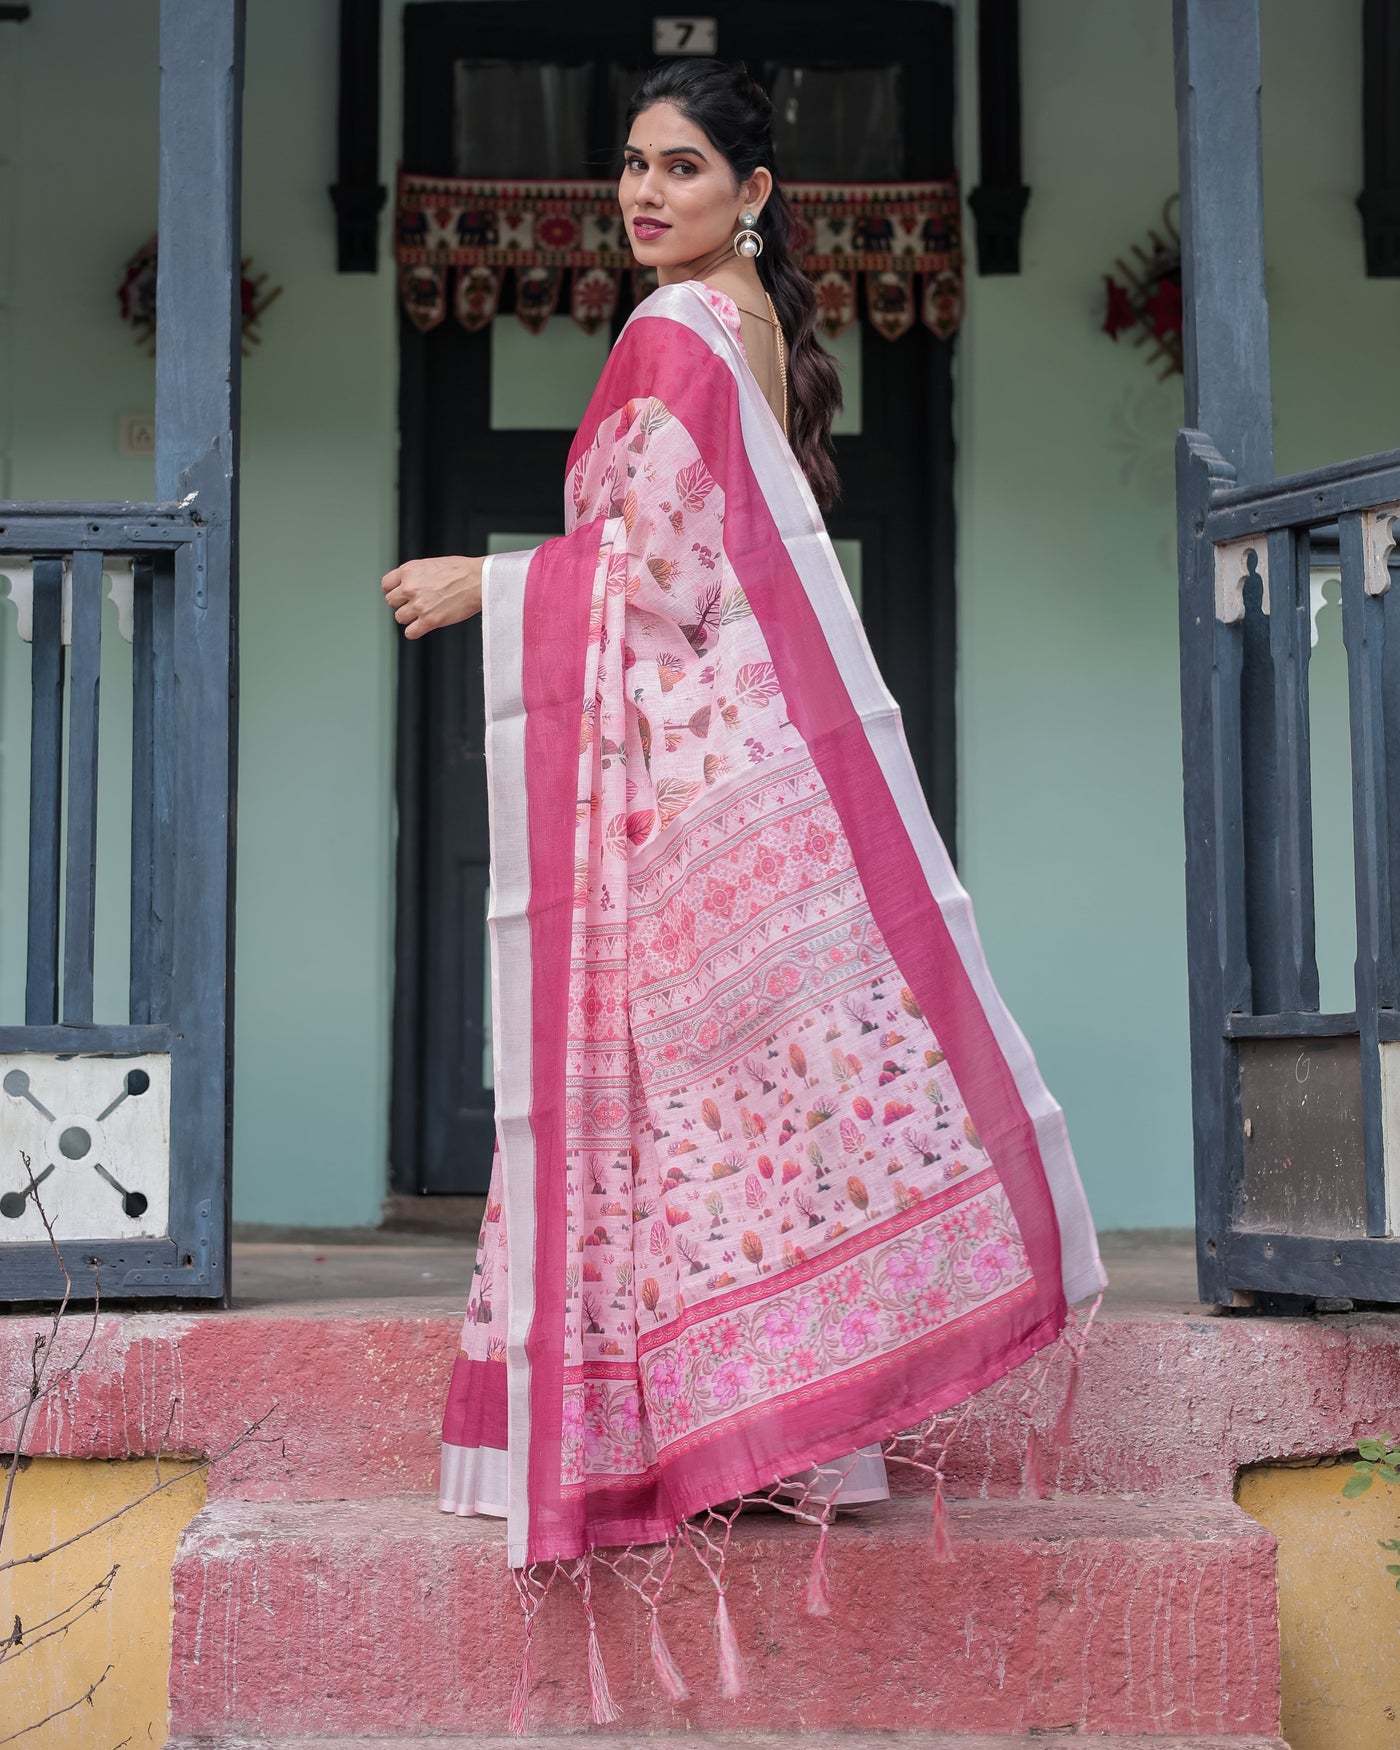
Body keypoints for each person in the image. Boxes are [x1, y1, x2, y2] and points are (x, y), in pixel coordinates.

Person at [381, 56, 1102, 1721]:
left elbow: (662, 574)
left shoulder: (674, 333)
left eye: (683, 167)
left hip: (690, 784)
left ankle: (699, 1424)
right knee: (754, 1090)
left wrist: (483, 582)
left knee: (678, 1085)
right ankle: (799, 1430)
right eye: (630, 165)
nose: (644, 193)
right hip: (748, 759)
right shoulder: (750, 326)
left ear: (753, 193)